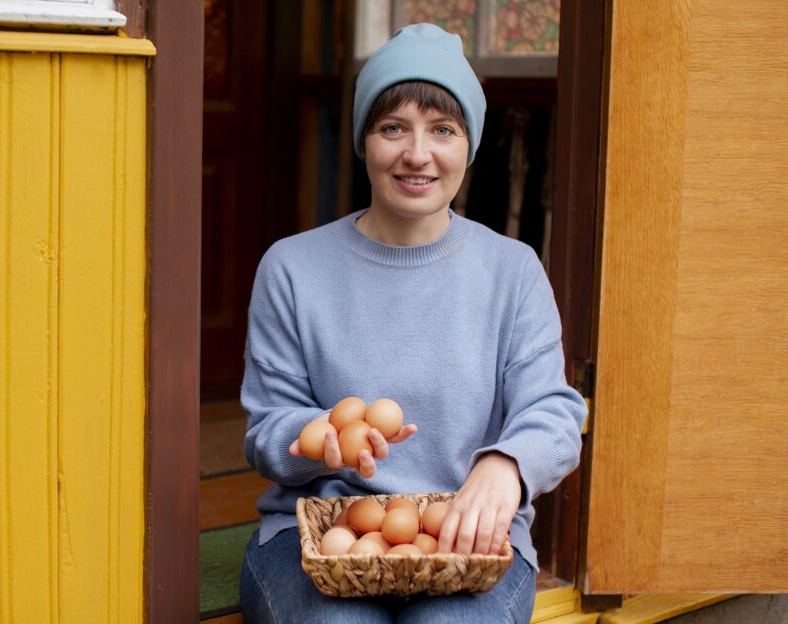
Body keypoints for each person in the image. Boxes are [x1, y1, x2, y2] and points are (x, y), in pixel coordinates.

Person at [238, 23, 587, 623]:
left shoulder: (512, 270)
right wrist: (320, 439)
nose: (417, 154)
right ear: (364, 141)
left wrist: (505, 465)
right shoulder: (292, 268)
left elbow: (554, 411)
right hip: (320, 540)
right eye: (393, 127)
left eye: (443, 130)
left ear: (469, 146)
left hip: (470, 540)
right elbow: (267, 432)